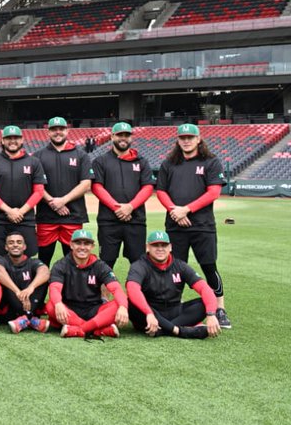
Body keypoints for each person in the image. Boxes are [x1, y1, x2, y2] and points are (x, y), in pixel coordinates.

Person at [156, 124, 231, 328]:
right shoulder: (169, 163)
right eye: (183, 137)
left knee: (209, 266)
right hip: (175, 225)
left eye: (190, 137)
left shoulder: (211, 161)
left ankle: (219, 309)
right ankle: (174, 306)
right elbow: (161, 191)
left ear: (199, 139)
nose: (186, 141)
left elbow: (213, 192)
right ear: (178, 140)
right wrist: (175, 211)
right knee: (174, 268)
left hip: (202, 225)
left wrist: (186, 210)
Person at [126, 230, 221, 339]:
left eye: (164, 245)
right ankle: (180, 331)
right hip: (150, 313)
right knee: (131, 303)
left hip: (175, 311)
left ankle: (162, 331)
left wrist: (211, 314)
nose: (160, 249)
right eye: (155, 245)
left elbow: (205, 288)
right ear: (147, 247)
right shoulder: (139, 266)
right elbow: (132, 289)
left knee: (204, 304)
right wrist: (149, 313)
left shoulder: (180, 266)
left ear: (170, 247)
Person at [90, 122, 155, 269]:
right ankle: (103, 293)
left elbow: (148, 187)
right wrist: (117, 208)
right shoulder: (101, 161)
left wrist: (130, 207)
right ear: (112, 136)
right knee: (106, 264)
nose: (123, 138)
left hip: (135, 220)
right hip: (109, 221)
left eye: (127, 135)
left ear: (131, 138)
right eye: (120, 135)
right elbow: (96, 187)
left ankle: (137, 293)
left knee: (139, 264)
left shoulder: (141, 161)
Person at [44, 229, 129, 338]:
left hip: (94, 309)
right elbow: (54, 288)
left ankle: (80, 330)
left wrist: (123, 307)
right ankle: (97, 330)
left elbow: (116, 288)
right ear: (71, 245)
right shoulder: (61, 265)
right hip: (69, 310)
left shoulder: (100, 266)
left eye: (86, 243)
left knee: (122, 303)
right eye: (78, 243)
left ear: (92, 246)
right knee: (51, 305)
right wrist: (58, 304)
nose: (82, 247)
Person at [34, 117, 93, 268]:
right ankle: (40, 292)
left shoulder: (81, 155)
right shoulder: (38, 156)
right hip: (46, 217)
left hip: (72, 216)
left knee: (74, 263)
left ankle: (72, 292)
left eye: (61, 129)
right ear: (48, 132)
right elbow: (35, 185)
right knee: (43, 262)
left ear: (67, 130)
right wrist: (53, 203)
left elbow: (86, 184)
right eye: (54, 129)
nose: (58, 132)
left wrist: (63, 201)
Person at [0, 125, 45, 259]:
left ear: (22, 140)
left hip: (25, 219)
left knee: (27, 259)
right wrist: (9, 211)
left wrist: (20, 212)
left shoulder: (34, 162)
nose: (12, 141)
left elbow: (39, 191)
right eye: (8, 138)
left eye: (16, 138)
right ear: (2, 141)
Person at [0, 230, 50, 333]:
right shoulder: (0, 260)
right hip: (9, 308)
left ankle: (25, 319)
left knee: (43, 280)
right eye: (11, 242)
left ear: (24, 246)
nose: (15, 245)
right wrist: (17, 292)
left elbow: (45, 272)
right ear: (6, 247)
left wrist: (30, 288)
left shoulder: (32, 261)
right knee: (0, 282)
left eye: (19, 242)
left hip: (29, 303)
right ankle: (31, 319)